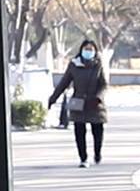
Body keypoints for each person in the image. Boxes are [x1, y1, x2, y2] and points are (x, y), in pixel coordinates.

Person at [46, 39, 109, 168]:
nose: (88, 52)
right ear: (81, 50)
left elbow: (104, 84)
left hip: (95, 103)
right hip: (79, 102)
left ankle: (97, 153)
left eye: (91, 49)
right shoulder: (74, 65)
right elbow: (64, 83)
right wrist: (52, 98)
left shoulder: (99, 64)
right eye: (86, 49)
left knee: (97, 130)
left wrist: (98, 97)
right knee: (79, 131)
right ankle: (83, 158)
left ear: (95, 51)